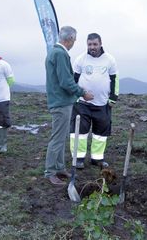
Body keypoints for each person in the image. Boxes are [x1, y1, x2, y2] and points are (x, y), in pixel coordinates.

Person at [44, 26, 94, 186]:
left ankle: (59, 167)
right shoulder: (59, 54)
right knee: (57, 139)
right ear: (70, 39)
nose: (74, 42)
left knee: (61, 137)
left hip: (60, 101)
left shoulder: (55, 52)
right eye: (75, 39)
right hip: (61, 102)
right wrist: (82, 92)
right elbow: (65, 81)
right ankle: (50, 172)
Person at [70, 33, 119, 169]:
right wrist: (75, 96)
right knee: (79, 132)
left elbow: (115, 79)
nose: (92, 47)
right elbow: (73, 79)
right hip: (82, 103)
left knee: (100, 134)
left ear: (100, 43)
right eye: (90, 44)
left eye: (95, 44)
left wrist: (113, 98)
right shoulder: (80, 59)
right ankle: (78, 158)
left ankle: (97, 158)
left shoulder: (110, 60)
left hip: (103, 103)